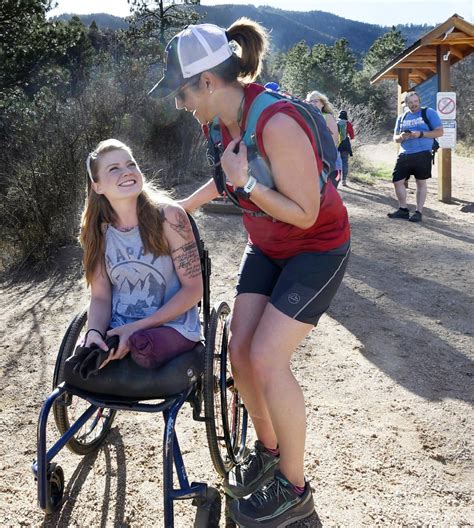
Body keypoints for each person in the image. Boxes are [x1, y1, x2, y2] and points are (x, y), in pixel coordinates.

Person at [149, 20, 350, 527]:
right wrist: (181, 208)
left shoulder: (276, 122)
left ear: (209, 83)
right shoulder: (215, 122)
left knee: (266, 357)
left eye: (182, 91)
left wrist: (248, 186)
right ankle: (267, 447)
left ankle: (294, 485)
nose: (180, 103)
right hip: (266, 246)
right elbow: (226, 176)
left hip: (317, 249)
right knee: (238, 351)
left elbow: (305, 212)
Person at [79, 139, 203, 371]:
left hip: (171, 326)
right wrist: (94, 332)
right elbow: (101, 297)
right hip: (119, 326)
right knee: (83, 359)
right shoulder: (97, 231)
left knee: (141, 347)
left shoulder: (170, 217)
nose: (126, 172)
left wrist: (136, 328)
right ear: (97, 186)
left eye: (131, 164)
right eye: (114, 168)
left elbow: (193, 290)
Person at [388, 91, 443, 222]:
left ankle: (418, 212)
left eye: (415, 102)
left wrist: (421, 134)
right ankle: (403, 210)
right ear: (406, 104)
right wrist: (401, 137)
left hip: (423, 152)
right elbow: (395, 138)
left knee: (420, 182)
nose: (413, 105)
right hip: (405, 153)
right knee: (397, 181)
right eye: (410, 103)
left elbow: (440, 132)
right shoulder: (402, 117)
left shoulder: (428, 113)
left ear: (419, 101)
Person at [307, 90, 343, 185]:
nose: (312, 103)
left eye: (315, 101)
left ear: (322, 103)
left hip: (330, 161)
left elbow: (334, 140)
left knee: (329, 191)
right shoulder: (308, 117)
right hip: (313, 161)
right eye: (310, 101)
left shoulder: (327, 116)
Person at [337, 110, 355, 186]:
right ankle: (344, 180)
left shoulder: (336, 123)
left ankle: (337, 178)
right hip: (345, 144)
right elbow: (352, 136)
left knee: (337, 162)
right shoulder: (348, 124)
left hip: (337, 144)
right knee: (345, 162)